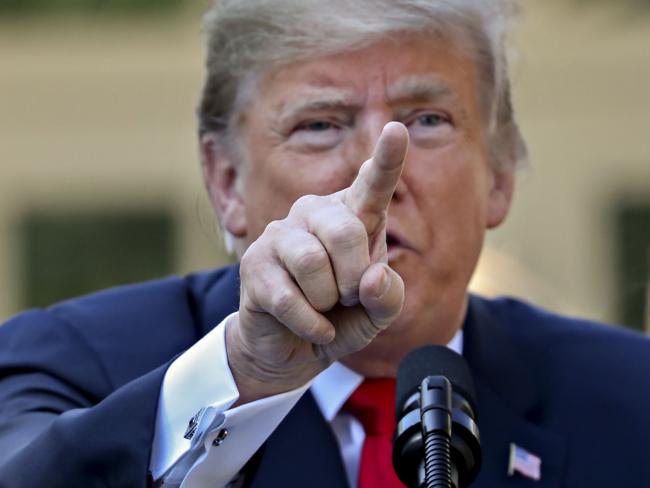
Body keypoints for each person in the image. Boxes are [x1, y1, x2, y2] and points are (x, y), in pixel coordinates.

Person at [1, 0, 649, 487]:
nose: (378, 173)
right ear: (226, 182)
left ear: (500, 174)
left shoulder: (631, 397)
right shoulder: (68, 362)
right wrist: (246, 377)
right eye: (319, 125)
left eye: (427, 120)